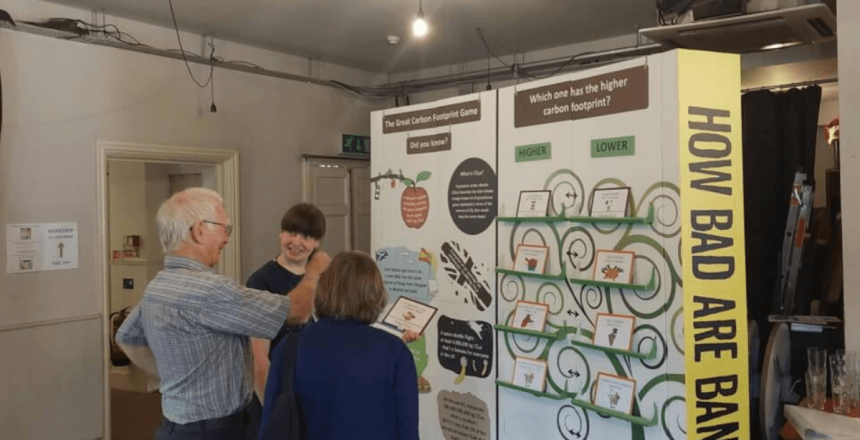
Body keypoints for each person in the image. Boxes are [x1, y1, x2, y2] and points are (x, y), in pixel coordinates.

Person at [115, 188, 330, 440]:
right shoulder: (211, 290)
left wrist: (174, 376)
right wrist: (316, 269)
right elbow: (296, 311)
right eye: (224, 229)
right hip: (213, 431)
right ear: (199, 230)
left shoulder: (158, 286)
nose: (226, 239)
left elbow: (127, 336)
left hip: (175, 426)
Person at [259, 251, 419, 440]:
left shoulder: (289, 347)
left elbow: (270, 426)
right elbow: (408, 433)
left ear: (323, 288)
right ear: (376, 294)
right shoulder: (396, 353)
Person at [246, 203, 326, 396]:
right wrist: (270, 406)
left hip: (316, 384)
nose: (296, 242)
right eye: (291, 232)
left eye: (306, 236)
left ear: (317, 242)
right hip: (281, 388)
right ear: (281, 234)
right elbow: (258, 358)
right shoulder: (260, 282)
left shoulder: (324, 277)